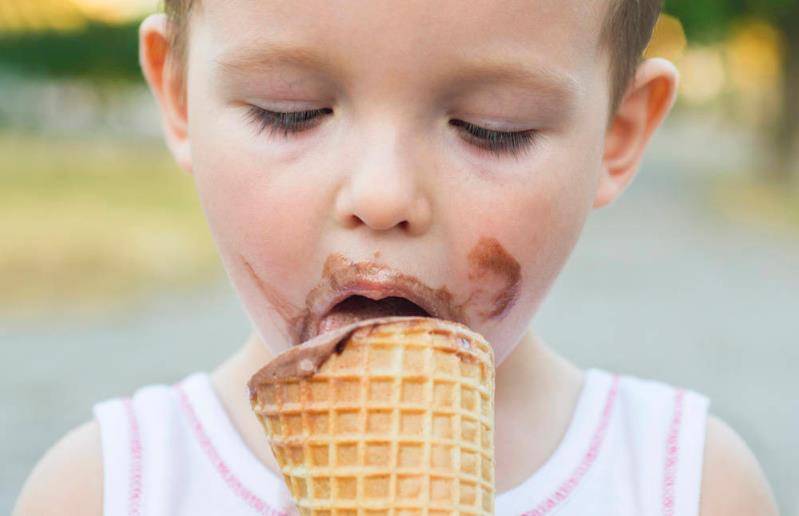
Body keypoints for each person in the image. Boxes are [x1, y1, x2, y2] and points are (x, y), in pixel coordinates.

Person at [14, 0, 779, 514]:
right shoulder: (105, 491)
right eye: (291, 112)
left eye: (492, 127)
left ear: (617, 136)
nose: (381, 197)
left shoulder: (688, 485)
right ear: (179, 97)